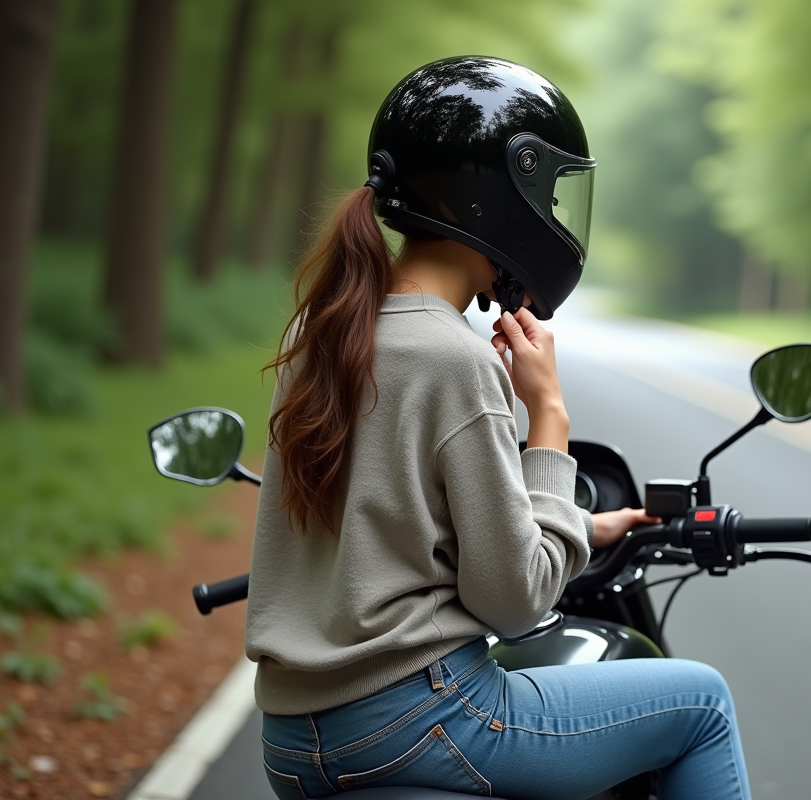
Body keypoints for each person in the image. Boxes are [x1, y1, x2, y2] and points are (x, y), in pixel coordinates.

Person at [245, 56, 752, 800]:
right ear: (505, 192)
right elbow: (515, 604)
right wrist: (547, 414)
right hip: (423, 721)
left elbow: (399, 510)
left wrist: (578, 523)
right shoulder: (454, 359)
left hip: (293, 743)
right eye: (548, 189)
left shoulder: (319, 336)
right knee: (702, 702)